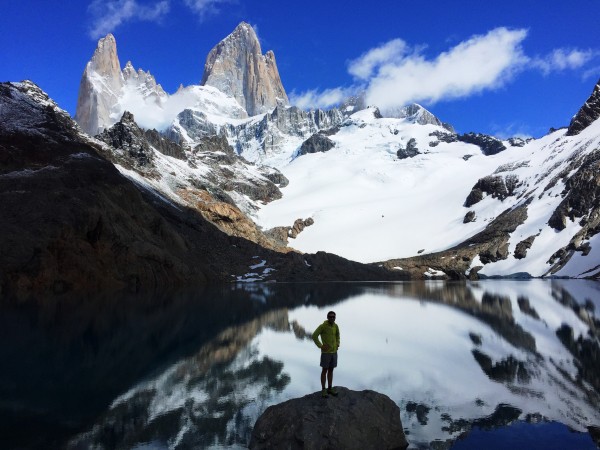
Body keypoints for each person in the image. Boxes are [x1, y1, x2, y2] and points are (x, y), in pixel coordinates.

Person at [312, 311, 340, 397]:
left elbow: (337, 335)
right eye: (330, 317)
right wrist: (321, 346)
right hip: (326, 353)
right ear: (327, 317)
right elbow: (314, 336)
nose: (332, 318)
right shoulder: (323, 326)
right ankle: (323, 390)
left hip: (334, 352)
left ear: (335, 318)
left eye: (333, 317)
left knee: (331, 370)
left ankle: (330, 388)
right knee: (324, 370)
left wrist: (338, 343)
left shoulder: (335, 326)